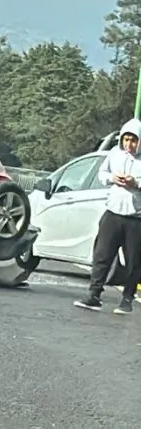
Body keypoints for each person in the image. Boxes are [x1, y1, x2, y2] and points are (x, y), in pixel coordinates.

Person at [75, 118, 141, 314]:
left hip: (135, 219)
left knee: (133, 262)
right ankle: (94, 295)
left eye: (133, 140)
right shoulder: (114, 154)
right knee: (102, 255)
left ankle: (127, 299)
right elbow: (102, 174)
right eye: (126, 139)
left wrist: (134, 183)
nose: (129, 144)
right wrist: (112, 178)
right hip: (112, 213)